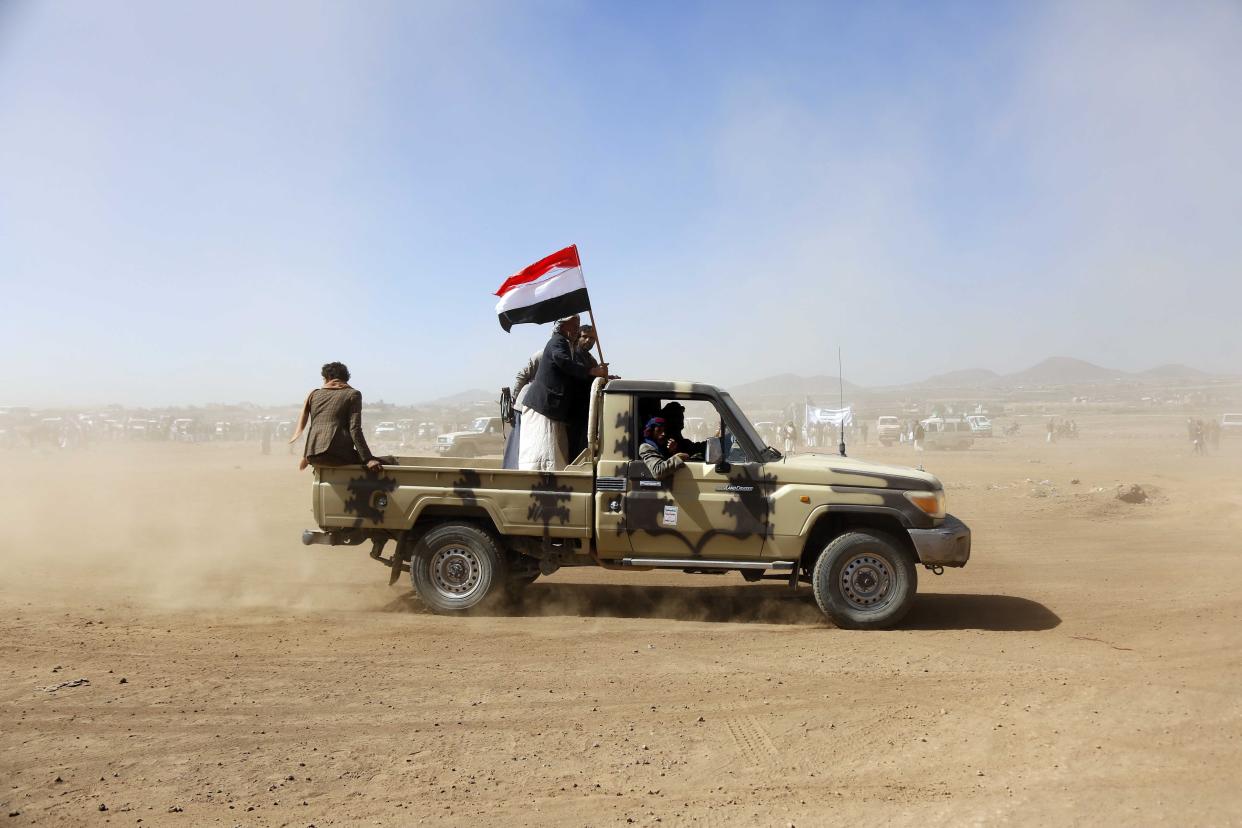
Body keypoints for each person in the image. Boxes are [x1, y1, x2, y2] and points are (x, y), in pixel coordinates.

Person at [519, 315, 610, 471]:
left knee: (558, 457)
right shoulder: (558, 342)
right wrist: (592, 371)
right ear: (563, 327)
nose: (576, 330)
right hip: (544, 408)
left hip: (557, 412)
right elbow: (564, 363)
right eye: (574, 326)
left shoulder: (570, 348)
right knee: (545, 458)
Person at [289, 362, 383, 472]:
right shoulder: (353, 394)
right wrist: (368, 459)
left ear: (328, 378)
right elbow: (355, 429)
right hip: (336, 455)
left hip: (313, 455)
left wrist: (306, 456)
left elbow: (314, 427)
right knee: (387, 461)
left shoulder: (314, 395)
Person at [566, 324, 601, 461]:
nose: (588, 341)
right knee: (575, 449)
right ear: (578, 337)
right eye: (585, 337)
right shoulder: (573, 355)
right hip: (574, 411)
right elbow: (578, 376)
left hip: (586, 410)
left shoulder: (591, 359)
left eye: (592, 338)